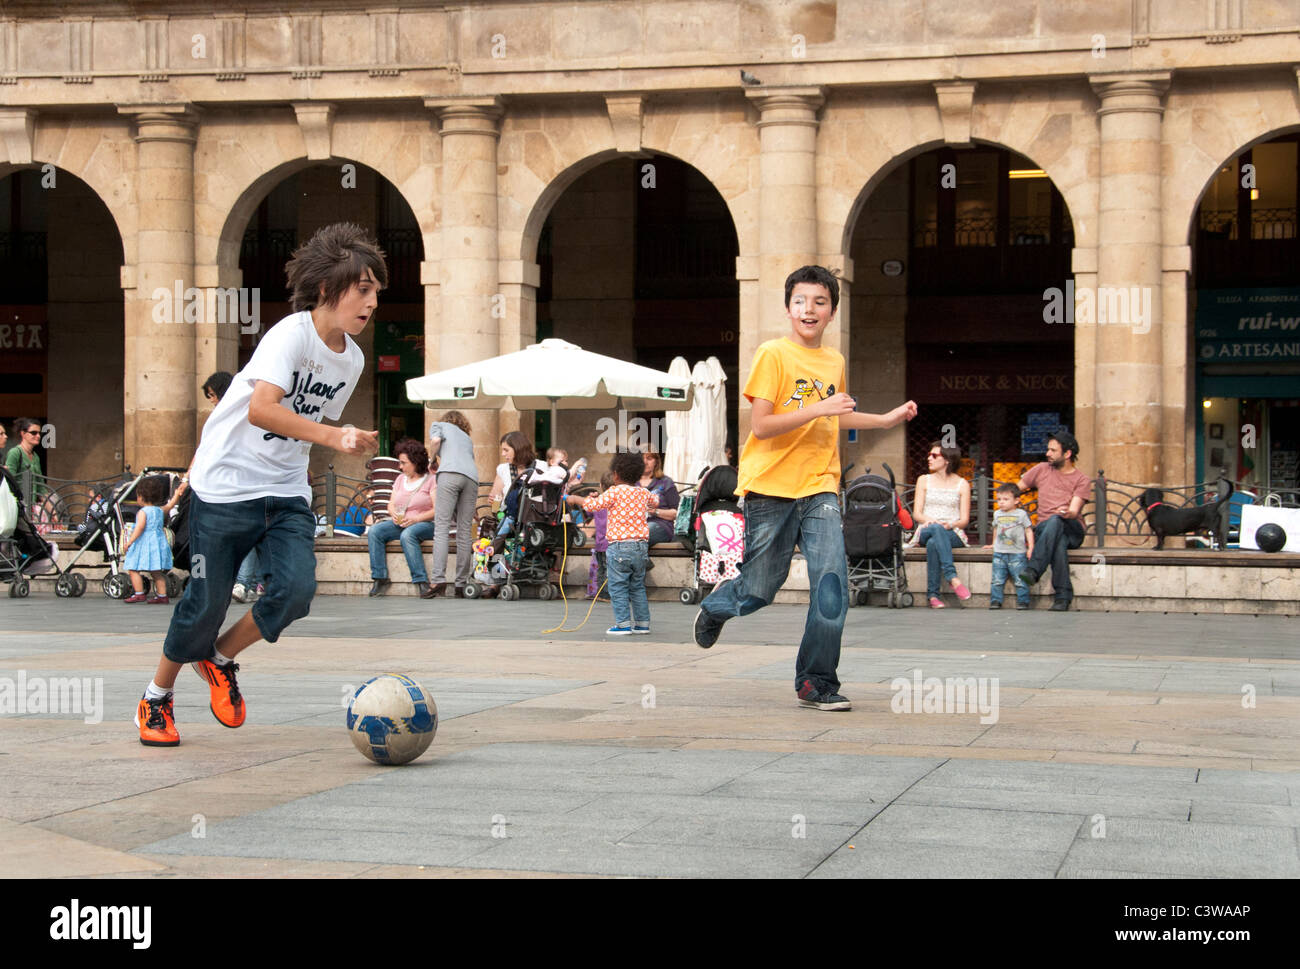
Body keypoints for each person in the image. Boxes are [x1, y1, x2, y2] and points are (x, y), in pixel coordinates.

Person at [134, 222, 384, 747]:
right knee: (206, 601)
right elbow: (262, 410)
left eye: (376, 291)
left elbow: (303, 422)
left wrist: (326, 448)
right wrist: (336, 437)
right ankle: (156, 698)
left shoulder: (354, 359)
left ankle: (220, 659)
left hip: (286, 491)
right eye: (363, 289)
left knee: (296, 591)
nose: (372, 301)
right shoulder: (289, 334)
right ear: (326, 290)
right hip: (225, 487)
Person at [692, 265, 917, 712]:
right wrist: (820, 407)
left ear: (832, 311)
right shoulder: (772, 355)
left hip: (819, 488)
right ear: (788, 307)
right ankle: (719, 606)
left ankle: (816, 681)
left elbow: (835, 415)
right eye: (801, 301)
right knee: (760, 588)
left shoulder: (833, 361)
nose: (809, 309)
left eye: (820, 302)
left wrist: (885, 420)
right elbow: (762, 425)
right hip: (770, 489)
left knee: (831, 584)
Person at [567, 451, 657, 635]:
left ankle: (623, 624)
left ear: (616, 474)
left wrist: (581, 499)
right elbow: (655, 501)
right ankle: (642, 623)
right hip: (640, 546)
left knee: (618, 585)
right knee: (637, 586)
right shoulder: (643, 492)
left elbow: (593, 506)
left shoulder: (614, 492)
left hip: (619, 546)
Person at [1016, 431, 1093, 611]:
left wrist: (1066, 513)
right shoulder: (1042, 469)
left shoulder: (1081, 479)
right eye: (1048, 449)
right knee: (1057, 540)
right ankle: (1063, 596)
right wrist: (1012, 498)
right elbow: (1017, 489)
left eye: (1052, 450)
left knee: (1057, 520)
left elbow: (1074, 511)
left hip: (1072, 528)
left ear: (1067, 454)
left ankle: (1034, 570)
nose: (1047, 453)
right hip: (1046, 530)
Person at [367, 437, 437, 598]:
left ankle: (421, 581)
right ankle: (379, 577)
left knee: (408, 535)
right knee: (375, 531)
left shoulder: (431, 481)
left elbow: (437, 510)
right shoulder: (400, 480)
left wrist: (416, 519)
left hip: (425, 523)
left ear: (415, 461)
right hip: (401, 522)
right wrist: (393, 513)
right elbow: (391, 504)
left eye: (404, 463)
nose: (400, 467)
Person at [911, 441, 972, 608]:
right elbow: (917, 514)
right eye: (929, 454)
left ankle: (933, 596)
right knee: (934, 531)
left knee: (933, 543)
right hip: (926, 528)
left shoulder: (962, 484)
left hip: (953, 532)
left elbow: (964, 520)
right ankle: (952, 577)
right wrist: (932, 521)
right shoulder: (923, 480)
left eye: (934, 455)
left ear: (947, 460)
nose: (929, 458)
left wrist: (949, 525)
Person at [427, 410, 479, 597]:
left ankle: (438, 581)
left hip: (449, 474)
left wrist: (432, 459)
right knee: (464, 531)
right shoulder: (467, 437)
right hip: (471, 478)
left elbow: (435, 442)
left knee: (441, 527)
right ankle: (461, 584)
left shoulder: (438, 425)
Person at [120, 475, 175, 604]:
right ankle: (162, 596)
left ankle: (139, 593)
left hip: (144, 544)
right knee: (156, 572)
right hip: (157, 543)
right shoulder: (159, 510)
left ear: (141, 497)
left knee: (133, 568)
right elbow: (170, 505)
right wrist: (177, 494)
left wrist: (130, 541)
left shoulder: (142, 512)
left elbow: (139, 528)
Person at [986, 483, 1034, 610]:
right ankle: (995, 600)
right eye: (999, 499)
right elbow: (996, 528)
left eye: (1006, 499)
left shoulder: (1021, 514)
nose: (1001, 502)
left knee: (1020, 579)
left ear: (1016, 500)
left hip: (1017, 553)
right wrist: (993, 543)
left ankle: (1023, 601)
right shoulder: (997, 514)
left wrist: (1031, 548)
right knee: (997, 579)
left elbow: (1028, 530)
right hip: (999, 552)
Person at [488, 430, 535, 546]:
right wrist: (493, 500)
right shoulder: (503, 469)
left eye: (506, 450)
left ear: (518, 449)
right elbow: (495, 499)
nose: (503, 454)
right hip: (511, 522)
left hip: (533, 520)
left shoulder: (539, 466)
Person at [639, 451, 679, 547]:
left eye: (649, 458)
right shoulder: (631, 482)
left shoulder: (665, 482)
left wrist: (655, 511)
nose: (645, 462)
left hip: (660, 525)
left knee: (640, 535)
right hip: (634, 526)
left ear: (656, 462)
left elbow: (677, 513)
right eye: (642, 459)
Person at [585, 469, 614, 600]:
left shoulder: (599, 501)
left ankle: (602, 593)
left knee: (601, 569)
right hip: (612, 544)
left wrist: (591, 497)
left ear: (601, 486)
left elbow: (588, 512)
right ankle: (610, 593)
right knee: (611, 570)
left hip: (600, 543)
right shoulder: (615, 503)